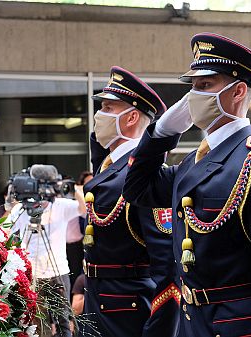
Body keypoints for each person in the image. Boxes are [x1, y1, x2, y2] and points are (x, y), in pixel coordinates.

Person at [123, 33, 251, 336]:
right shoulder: (192, 164)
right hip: (194, 324)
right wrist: (161, 133)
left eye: (204, 86)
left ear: (238, 91)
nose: (192, 97)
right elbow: (136, 187)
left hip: (240, 328)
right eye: (192, 87)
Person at [82, 66, 179, 337]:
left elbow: (168, 270)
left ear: (132, 116)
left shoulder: (143, 176)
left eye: (109, 108)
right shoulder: (108, 164)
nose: (99, 116)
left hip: (130, 314)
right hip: (98, 305)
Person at [7, 165, 86, 337]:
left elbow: (84, 209)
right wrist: (12, 199)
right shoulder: (22, 209)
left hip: (58, 271)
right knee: (37, 321)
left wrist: (73, 190)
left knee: (63, 319)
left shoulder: (61, 205)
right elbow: (6, 228)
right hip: (32, 273)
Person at [66, 171, 92, 288]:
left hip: (76, 245)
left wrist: (76, 190)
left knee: (76, 276)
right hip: (60, 246)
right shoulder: (57, 203)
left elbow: (84, 210)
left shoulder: (77, 202)